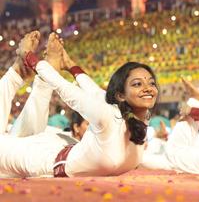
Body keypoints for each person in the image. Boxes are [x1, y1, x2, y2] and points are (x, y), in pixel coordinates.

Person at [0, 31, 159, 178]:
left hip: (58, 150)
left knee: (19, 141)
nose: (148, 89)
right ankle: (19, 73)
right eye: (137, 84)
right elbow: (63, 87)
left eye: (151, 83)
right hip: (44, 158)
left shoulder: (140, 118)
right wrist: (28, 56)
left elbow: (94, 91)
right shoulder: (107, 113)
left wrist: (70, 65)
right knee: (18, 141)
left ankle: (17, 74)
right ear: (120, 95)